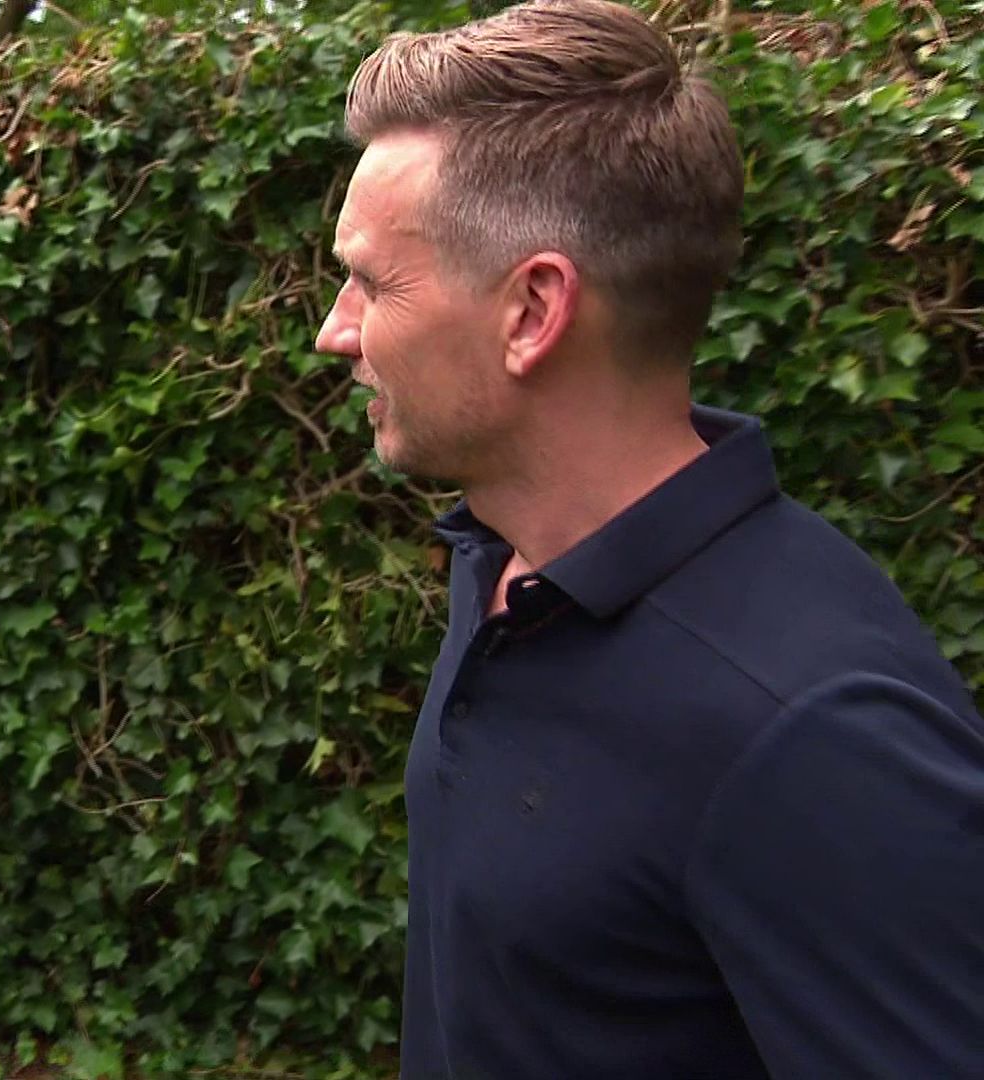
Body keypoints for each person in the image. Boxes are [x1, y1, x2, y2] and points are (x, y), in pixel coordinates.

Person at [314, 2, 984, 1076]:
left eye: (374, 283)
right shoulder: (509, 572)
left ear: (533, 310)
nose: (335, 330)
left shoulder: (810, 730)